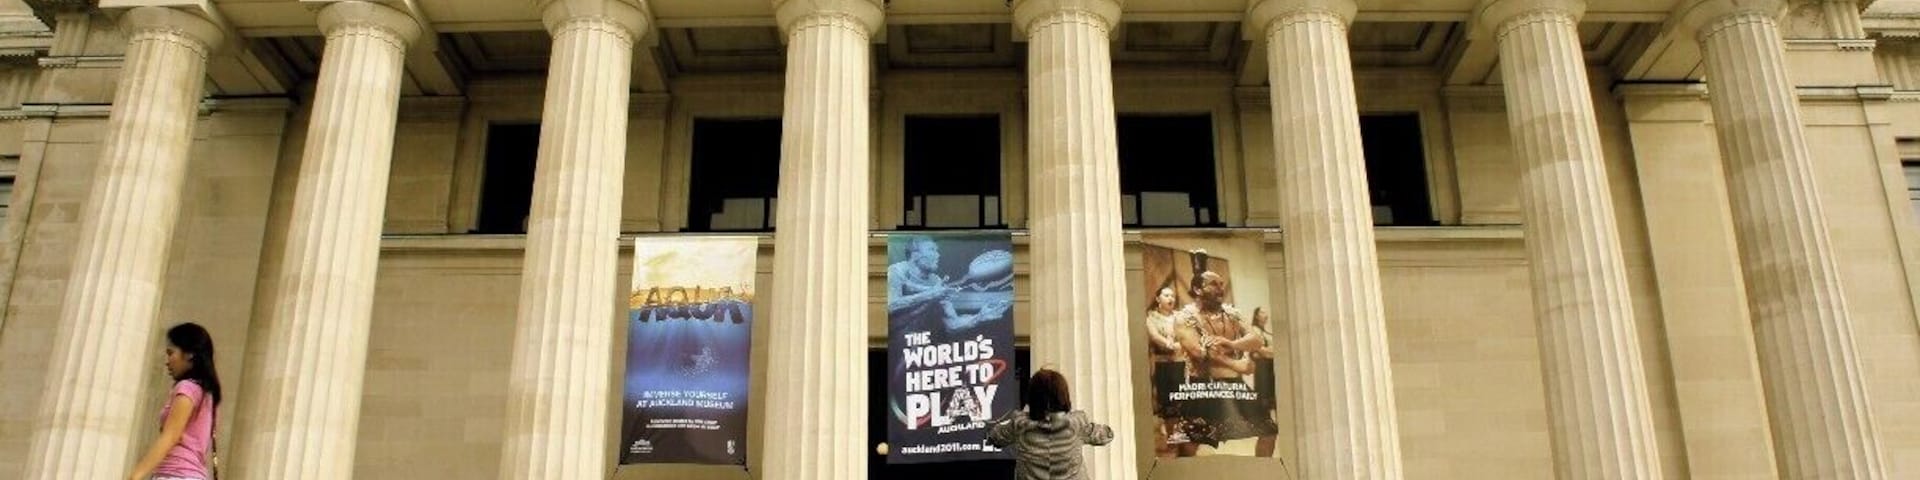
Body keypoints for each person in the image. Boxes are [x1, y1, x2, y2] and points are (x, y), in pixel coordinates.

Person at [129, 322, 221, 480]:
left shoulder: (187, 388)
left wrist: (135, 475)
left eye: (171, 353)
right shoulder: (207, 395)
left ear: (190, 354)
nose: (167, 361)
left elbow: (171, 436)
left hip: (176, 474)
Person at [988, 369, 1113, 480]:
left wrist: (1025, 412)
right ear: (1063, 395)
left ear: (1032, 396)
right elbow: (1106, 436)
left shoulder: (1019, 424)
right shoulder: (1077, 422)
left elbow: (995, 438)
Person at [1143, 280, 1186, 457]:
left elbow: (1186, 336)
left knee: (1182, 402)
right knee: (1168, 404)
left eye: (1173, 296)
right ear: (1158, 298)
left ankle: (1180, 438)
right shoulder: (1151, 316)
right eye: (1167, 295)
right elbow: (1154, 336)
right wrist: (1169, 344)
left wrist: (1180, 344)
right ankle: (1172, 439)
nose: (1171, 298)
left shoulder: (1179, 317)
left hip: (1181, 365)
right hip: (1163, 366)